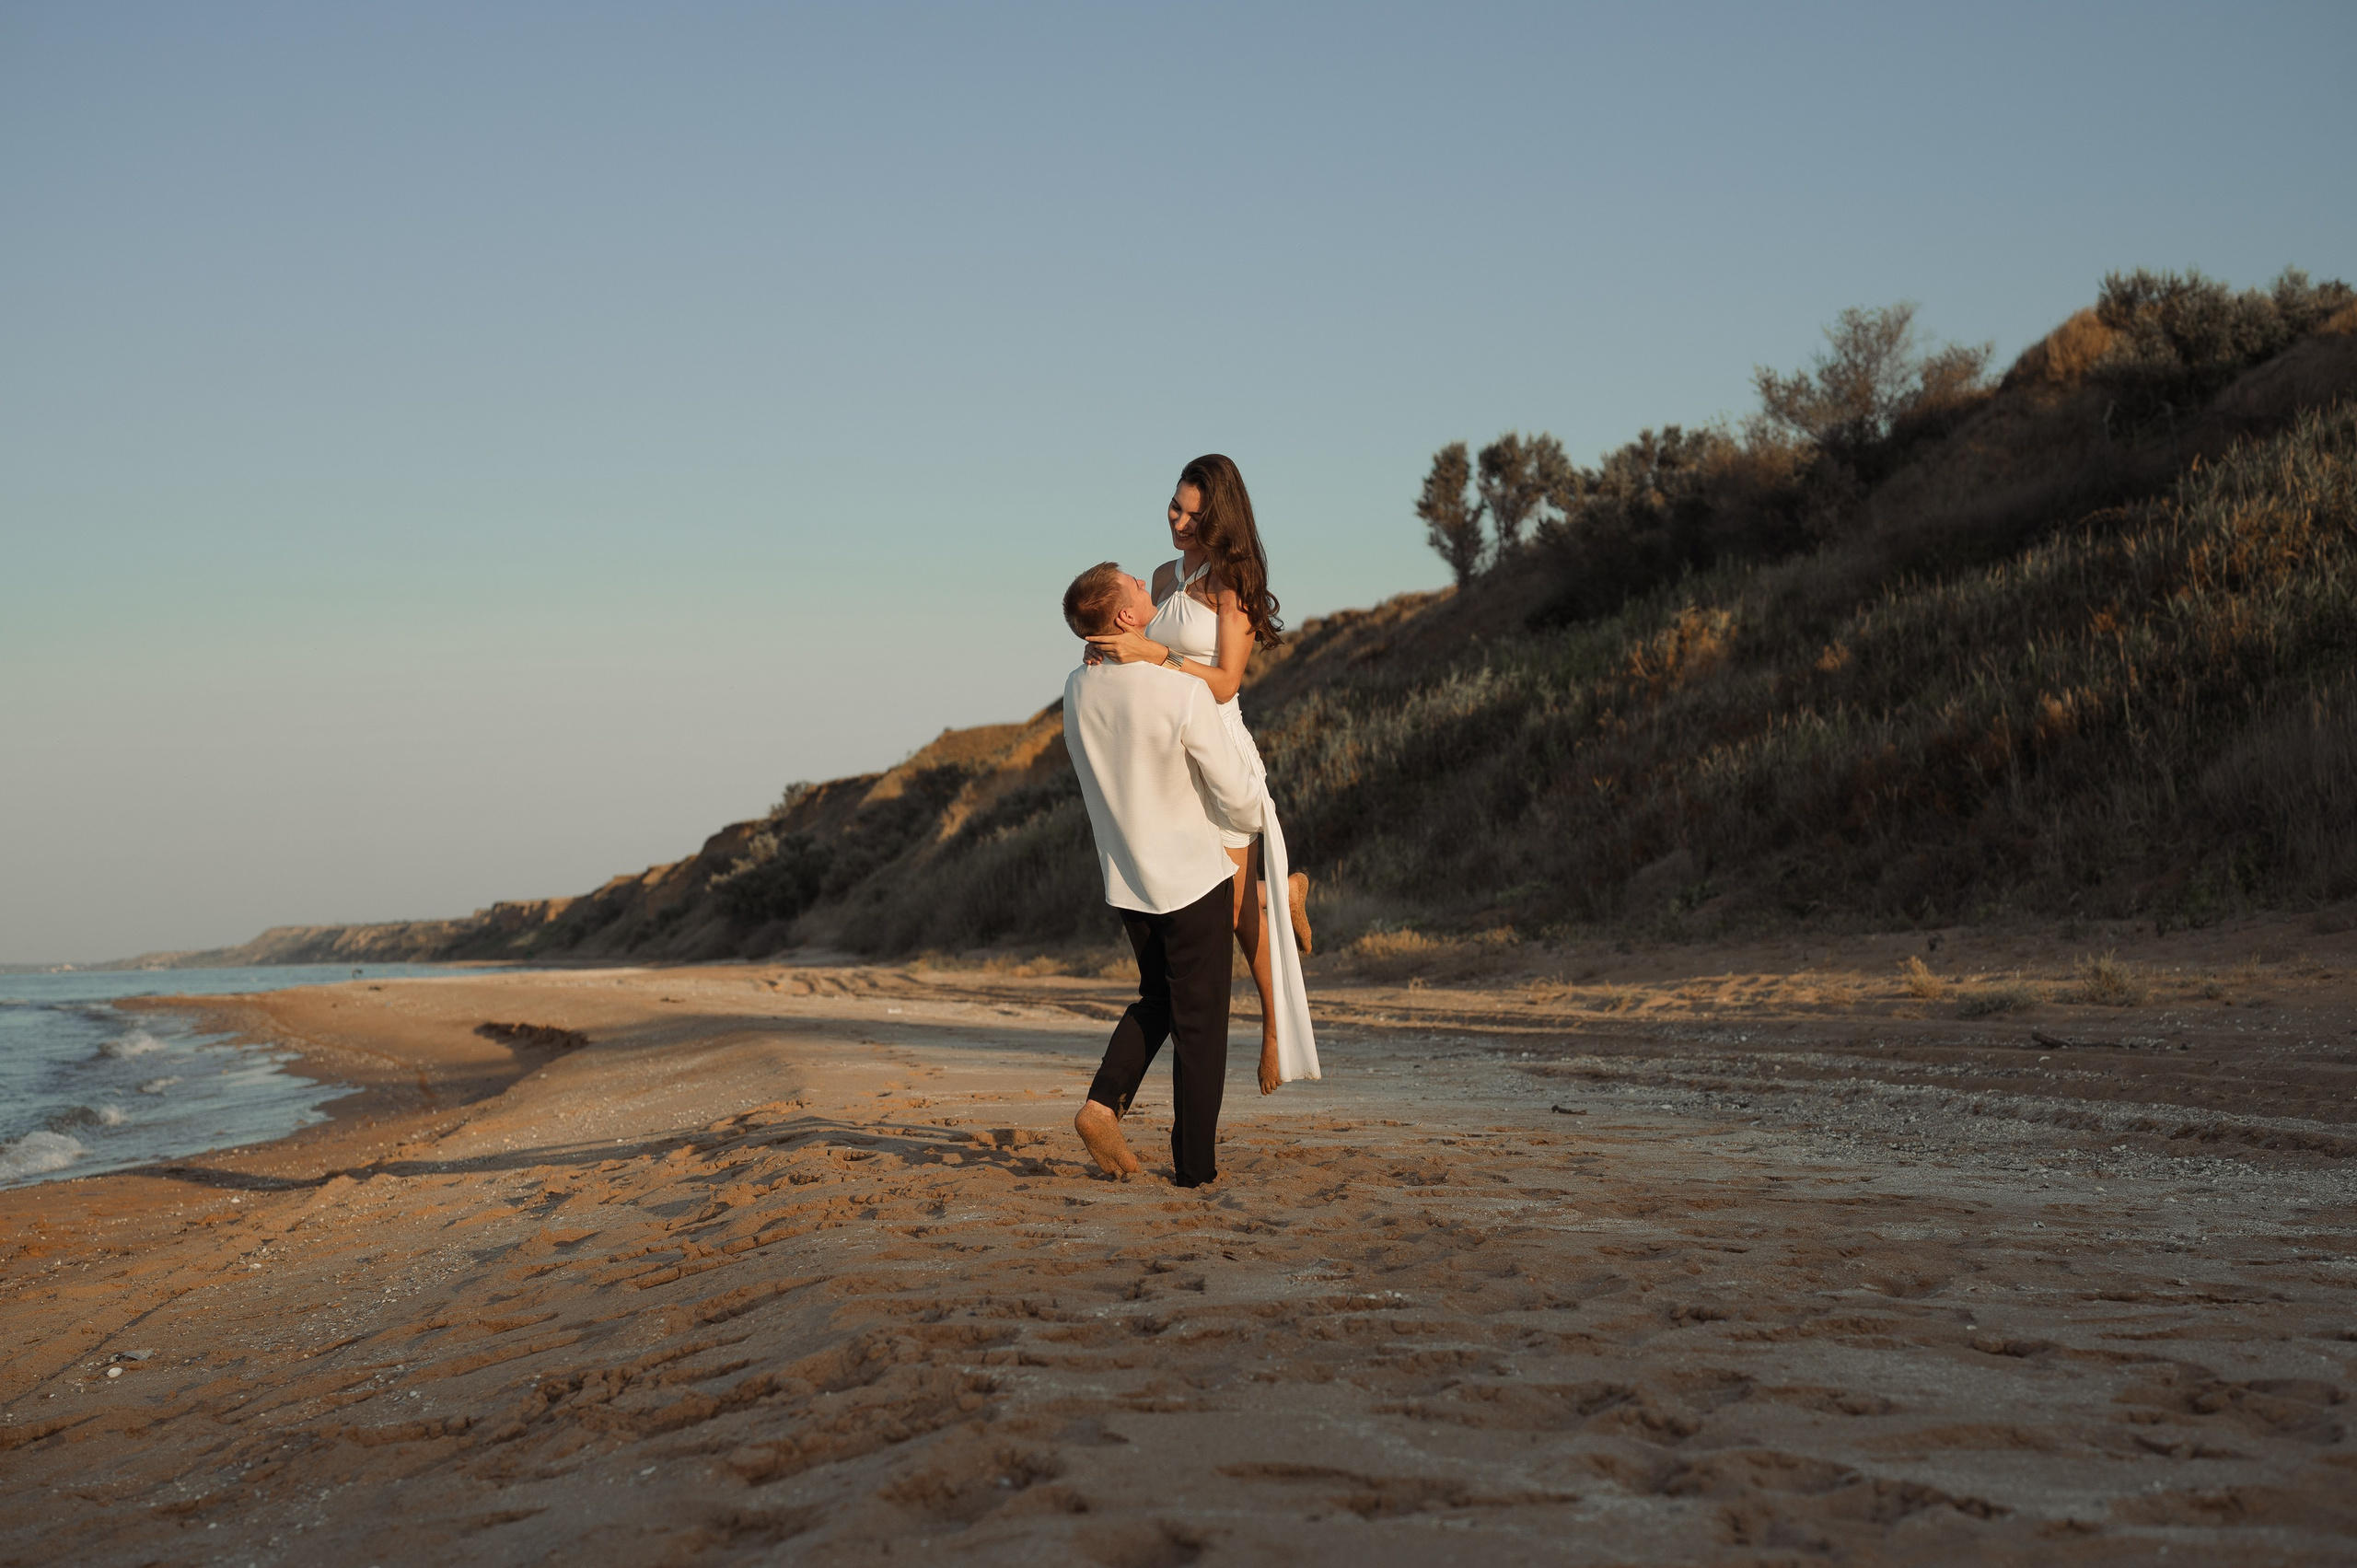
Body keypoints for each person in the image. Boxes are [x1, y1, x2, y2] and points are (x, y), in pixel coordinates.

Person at [1083, 455, 1318, 1097]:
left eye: (1193, 513)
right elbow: (1139, 656)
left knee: (1237, 914)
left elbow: (1225, 683)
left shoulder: (1232, 582)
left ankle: (1274, 1027)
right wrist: (1105, 649)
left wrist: (1156, 653)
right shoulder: (1161, 575)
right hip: (1172, 755)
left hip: (1219, 749)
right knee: (1210, 898)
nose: (1178, 521)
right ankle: (1282, 893)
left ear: (1220, 516)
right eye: (1174, 506)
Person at [1060, 562, 1270, 1186]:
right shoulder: (1179, 691)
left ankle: (1103, 1103)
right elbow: (1236, 790)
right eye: (1133, 584)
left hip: (1127, 880)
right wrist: (1251, 818)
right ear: (1125, 617)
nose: (1145, 586)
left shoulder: (1076, 688)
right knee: (1202, 1028)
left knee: (1159, 998)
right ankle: (1196, 1172)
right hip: (1192, 878)